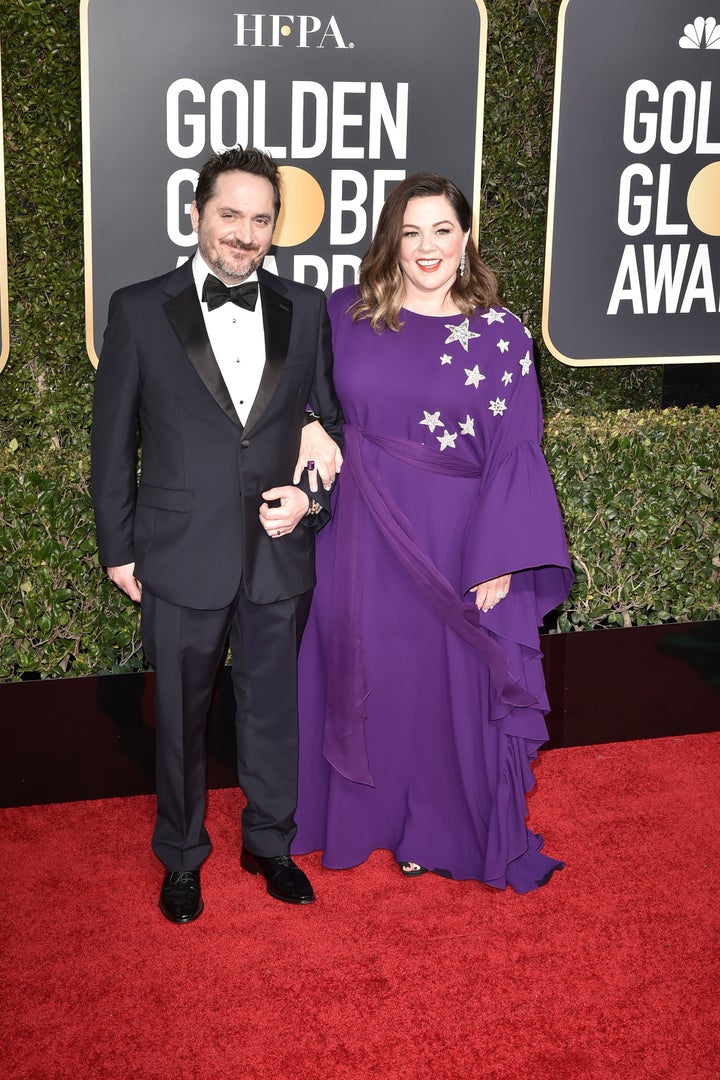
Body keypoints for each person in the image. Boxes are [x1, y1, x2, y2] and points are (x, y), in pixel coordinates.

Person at [292, 172, 573, 893]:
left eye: (442, 230)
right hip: (357, 530)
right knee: (366, 667)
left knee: (445, 685)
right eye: (411, 231)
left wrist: (504, 558)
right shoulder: (341, 316)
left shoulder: (502, 335)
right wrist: (310, 425)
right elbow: (288, 392)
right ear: (392, 238)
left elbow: (517, 448)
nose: (426, 247)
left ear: (465, 238)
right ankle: (361, 819)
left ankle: (436, 825)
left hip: (457, 537)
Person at [91, 146, 343, 923]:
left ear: (277, 228)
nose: (244, 232)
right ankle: (181, 856)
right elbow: (112, 442)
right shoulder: (139, 308)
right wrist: (119, 547)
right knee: (180, 717)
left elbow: (326, 425)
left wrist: (307, 499)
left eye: (261, 218)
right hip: (176, 551)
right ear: (196, 213)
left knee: (272, 711)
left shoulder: (307, 310)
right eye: (229, 213)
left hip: (276, 552)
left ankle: (269, 843)